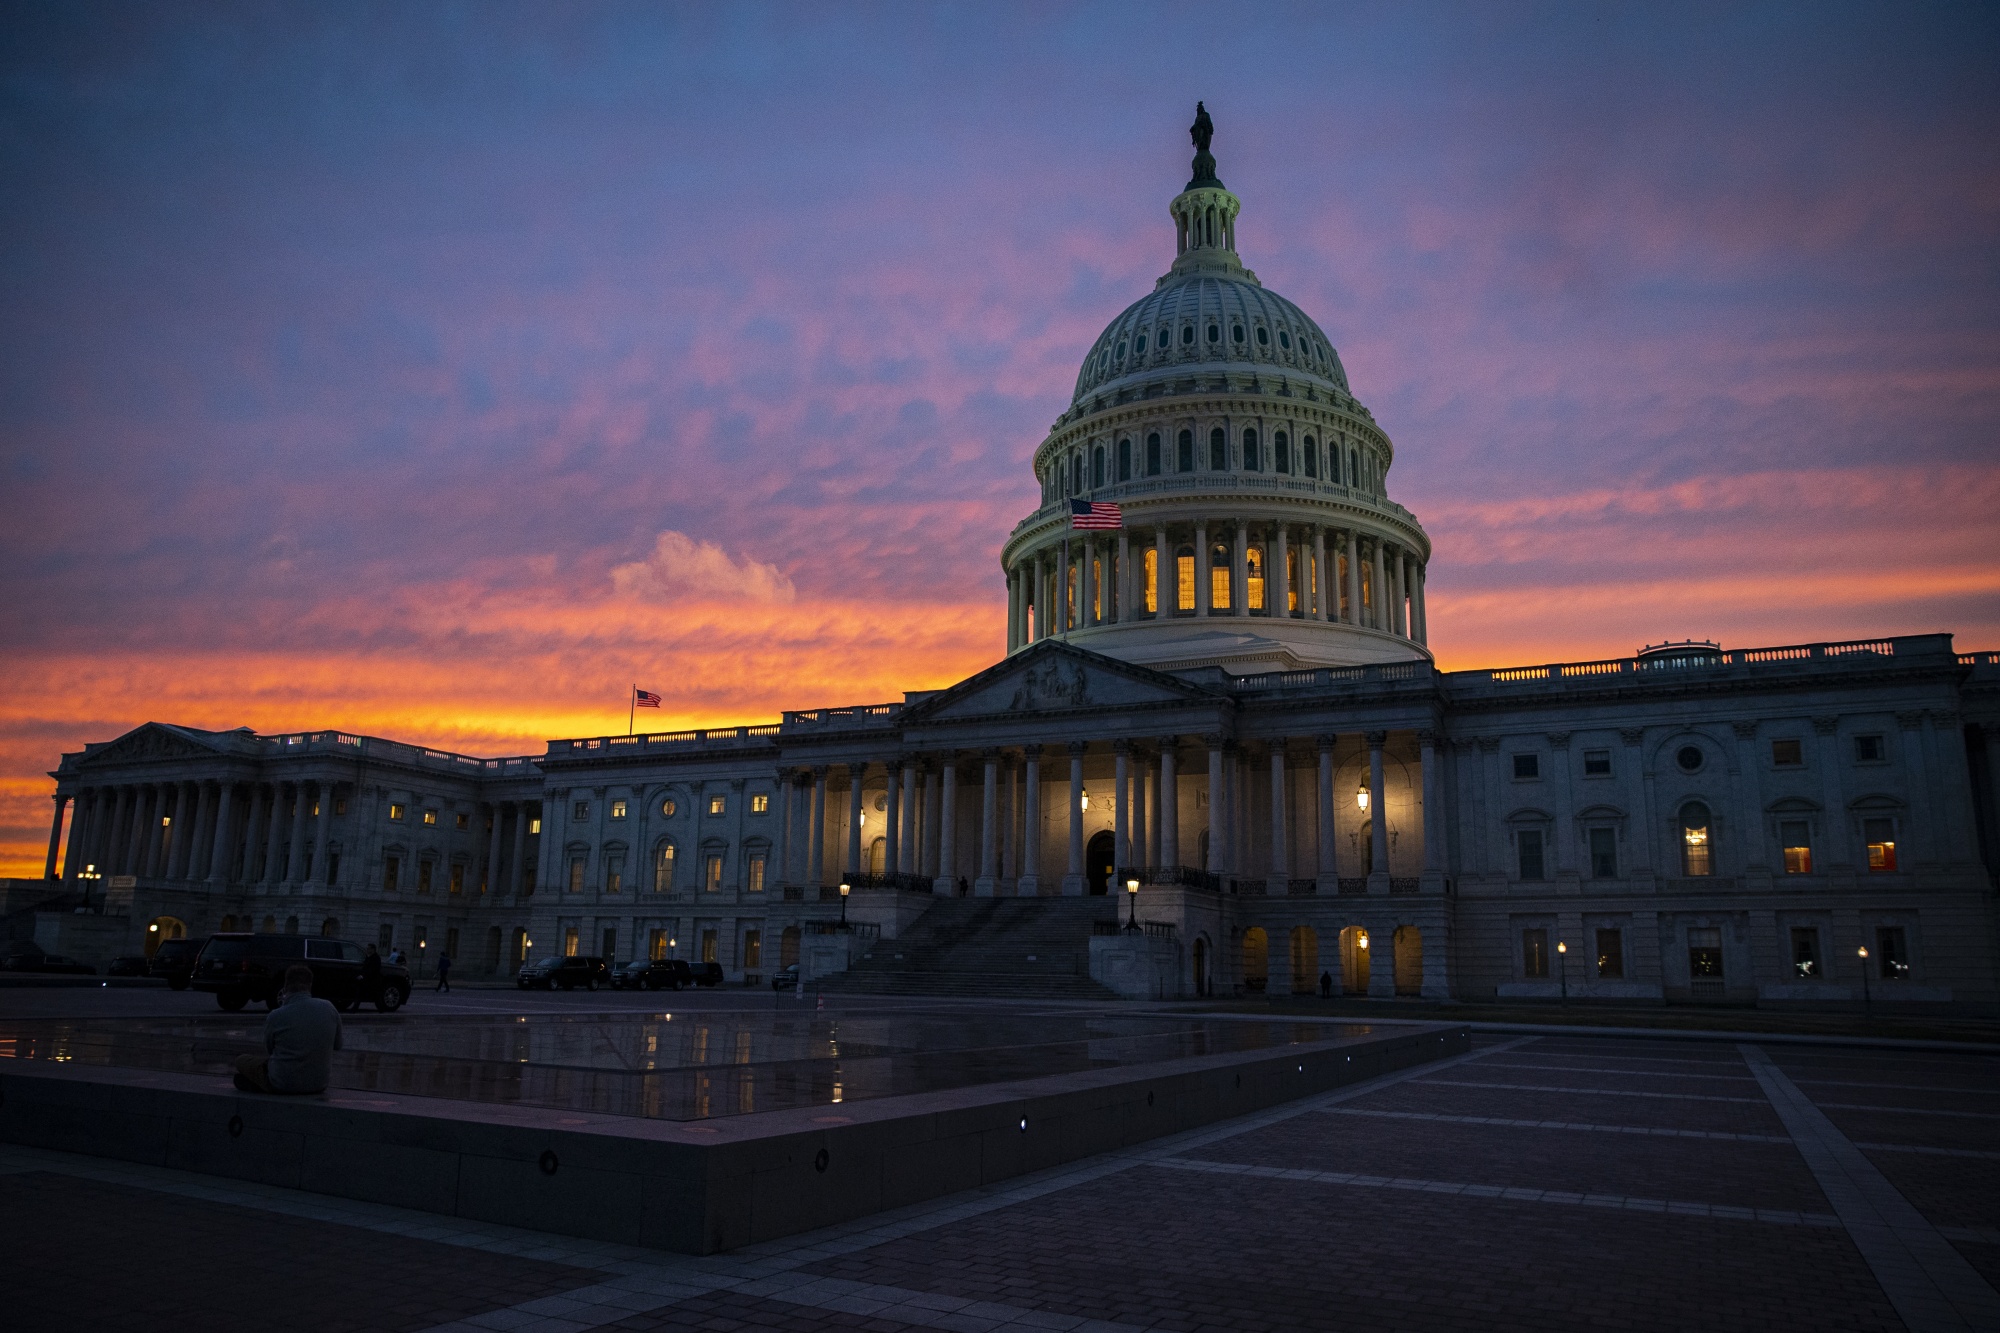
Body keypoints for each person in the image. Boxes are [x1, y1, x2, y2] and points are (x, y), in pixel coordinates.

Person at [234, 963, 341, 1095]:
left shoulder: (276, 1015)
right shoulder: (329, 1008)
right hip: (319, 1084)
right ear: (310, 985)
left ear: (285, 987)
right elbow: (338, 1045)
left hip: (282, 1083)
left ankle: (259, 1084)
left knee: (241, 1060)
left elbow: (270, 1050)